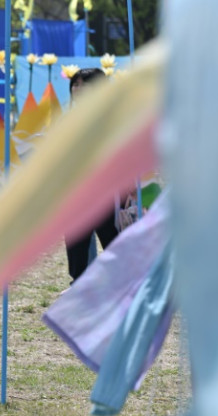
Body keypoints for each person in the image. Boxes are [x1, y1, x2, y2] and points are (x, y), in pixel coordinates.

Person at [65, 68, 121, 282]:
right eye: (75, 84)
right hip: (74, 191)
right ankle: (78, 284)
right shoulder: (70, 118)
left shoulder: (109, 117)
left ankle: (125, 286)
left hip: (105, 190)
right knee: (76, 242)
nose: (77, 89)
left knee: (113, 240)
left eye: (83, 85)